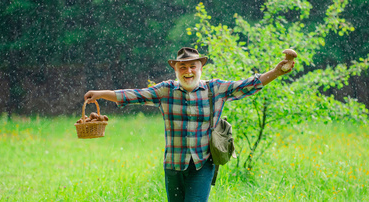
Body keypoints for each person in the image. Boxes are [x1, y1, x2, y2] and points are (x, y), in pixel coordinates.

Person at [84, 47, 294, 201]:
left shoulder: (215, 89)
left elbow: (248, 85)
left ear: (200, 67)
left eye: (192, 66)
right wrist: (101, 94)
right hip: (173, 165)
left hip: (203, 164)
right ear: (176, 69)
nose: (188, 71)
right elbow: (135, 95)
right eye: (182, 67)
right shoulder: (166, 91)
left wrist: (276, 72)